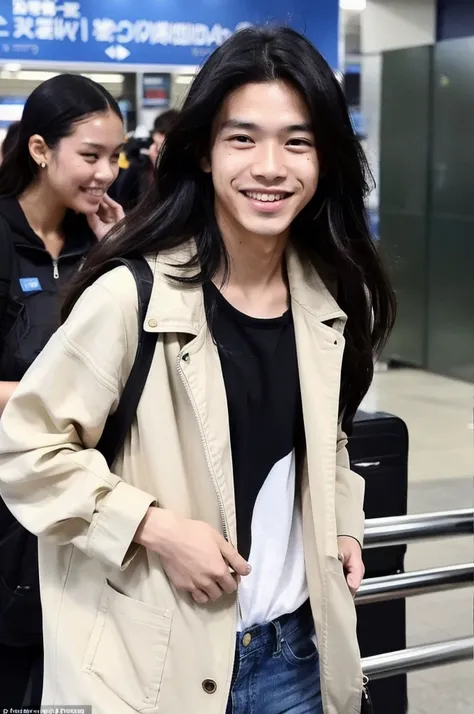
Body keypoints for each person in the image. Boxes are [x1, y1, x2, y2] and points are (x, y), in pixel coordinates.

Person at [0, 27, 396, 714]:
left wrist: (342, 519)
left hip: (299, 655)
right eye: (242, 138)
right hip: (154, 664)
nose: (270, 166)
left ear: (326, 157)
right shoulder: (131, 298)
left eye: (297, 141)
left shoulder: (325, 305)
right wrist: (155, 528)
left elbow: (325, 436)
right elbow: (26, 449)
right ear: (205, 154)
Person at [0, 73, 125, 709]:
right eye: (91, 156)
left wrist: (117, 254)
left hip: (76, 494)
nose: (106, 172)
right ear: (41, 150)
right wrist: (54, 400)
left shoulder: (97, 243)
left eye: (115, 156)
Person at [116, 110, 180, 210]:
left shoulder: (184, 171)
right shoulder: (141, 166)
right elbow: (122, 197)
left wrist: (159, 166)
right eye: (160, 134)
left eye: (165, 134)